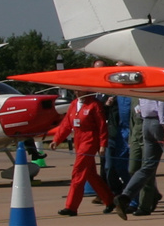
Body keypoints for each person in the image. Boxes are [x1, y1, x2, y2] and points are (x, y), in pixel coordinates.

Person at [51, 90, 124, 218]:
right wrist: (57, 140)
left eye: (81, 90)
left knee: (78, 172)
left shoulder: (94, 105)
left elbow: (102, 126)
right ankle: (110, 200)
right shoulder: (74, 104)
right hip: (78, 140)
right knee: (90, 174)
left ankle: (71, 206)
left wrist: (102, 144)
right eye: (76, 90)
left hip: (90, 140)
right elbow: (66, 124)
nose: (78, 92)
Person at [122, 98, 164, 216]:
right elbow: (162, 105)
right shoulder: (159, 84)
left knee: (147, 167)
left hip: (146, 123)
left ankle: (125, 196)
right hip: (159, 123)